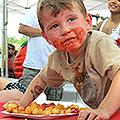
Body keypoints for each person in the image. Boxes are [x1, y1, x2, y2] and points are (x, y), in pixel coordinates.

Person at [3, 0, 120, 120]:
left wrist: (104, 109)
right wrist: (23, 103)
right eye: (54, 26)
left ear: (87, 22)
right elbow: (42, 79)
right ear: (46, 37)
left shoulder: (98, 43)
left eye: (71, 19)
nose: (65, 30)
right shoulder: (57, 58)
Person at [0, 3, 63, 102]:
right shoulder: (35, 9)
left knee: (53, 104)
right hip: (33, 67)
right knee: (24, 101)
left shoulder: (63, 10)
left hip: (55, 67)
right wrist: (45, 32)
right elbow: (22, 28)